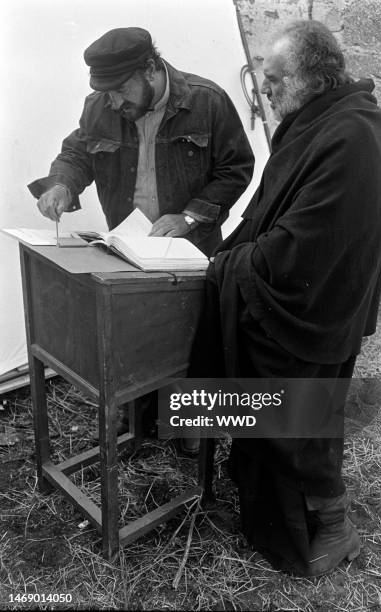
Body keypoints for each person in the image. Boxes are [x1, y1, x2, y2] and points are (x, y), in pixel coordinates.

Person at [189, 20, 381, 575]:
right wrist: (214, 257)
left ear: (309, 77)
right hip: (291, 300)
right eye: (265, 81)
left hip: (315, 308)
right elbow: (263, 214)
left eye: (275, 81)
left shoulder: (353, 131)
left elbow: (309, 241)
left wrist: (231, 267)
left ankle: (335, 526)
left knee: (300, 424)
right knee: (269, 414)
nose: (268, 93)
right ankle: (271, 519)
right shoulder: (315, 123)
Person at [27, 27, 254, 452]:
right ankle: (133, 413)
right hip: (129, 247)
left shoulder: (207, 101)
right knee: (134, 332)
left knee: (189, 338)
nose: (113, 102)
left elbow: (236, 168)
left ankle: (189, 424)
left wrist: (189, 215)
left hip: (189, 249)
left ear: (150, 69)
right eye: (106, 93)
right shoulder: (100, 104)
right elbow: (77, 154)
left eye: (119, 90)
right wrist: (61, 184)